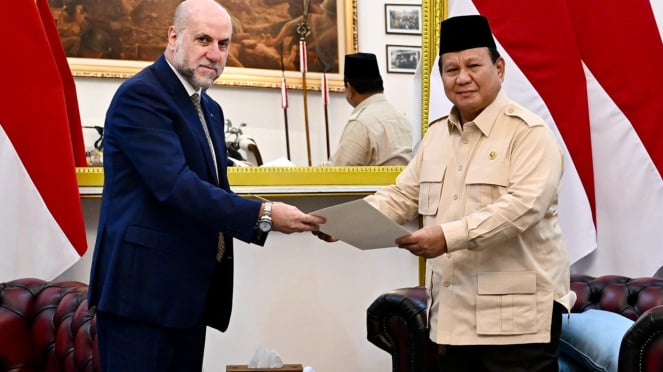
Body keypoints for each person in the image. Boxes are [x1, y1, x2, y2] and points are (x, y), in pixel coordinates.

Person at [316, 15, 576, 371]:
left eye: (473, 65)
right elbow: (402, 195)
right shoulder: (436, 136)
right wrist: (343, 221)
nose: (462, 77)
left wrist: (447, 236)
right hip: (452, 320)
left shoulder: (529, 134)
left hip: (517, 325)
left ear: (499, 68)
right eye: (451, 69)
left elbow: (522, 208)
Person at [88, 0, 326, 370]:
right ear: (173, 36)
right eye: (203, 40)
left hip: (187, 297)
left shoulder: (209, 108)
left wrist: (294, 221)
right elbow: (177, 187)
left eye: (223, 44)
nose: (214, 54)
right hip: (141, 298)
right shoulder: (142, 96)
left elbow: (216, 190)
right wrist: (264, 215)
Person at [320, 52, 412, 166]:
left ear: (349, 88)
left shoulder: (361, 123)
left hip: (379, 184)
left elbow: (338, 171)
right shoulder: (403, 119)